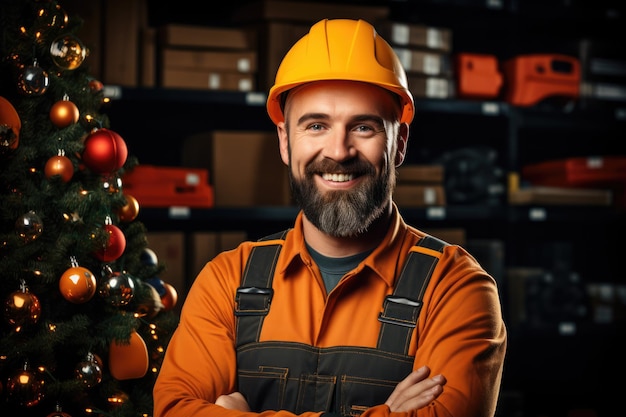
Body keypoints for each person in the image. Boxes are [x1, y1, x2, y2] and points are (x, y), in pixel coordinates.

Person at [153, 18, 507, 417]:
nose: (339, 151)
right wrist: (387, 413)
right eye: (316, 125)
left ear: (400, 143)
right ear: (285, 141)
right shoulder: (226, 281)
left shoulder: (457, 288)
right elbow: (175, 410)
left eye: (364, 127)